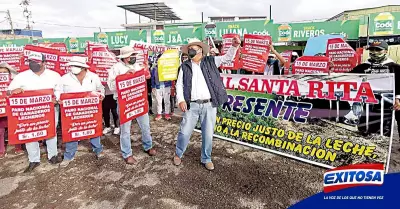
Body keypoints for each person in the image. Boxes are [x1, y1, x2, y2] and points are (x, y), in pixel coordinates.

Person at [173, 37, 240, 170]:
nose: (191, 51)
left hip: (209, 105)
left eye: (194, 49)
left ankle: (206, 158)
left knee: (208, 133)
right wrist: (180, 99)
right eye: (190, 49)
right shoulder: (184, 66)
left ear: (201, 51)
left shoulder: (211, 61)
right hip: (192, 105)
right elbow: (179, 84)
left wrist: (234, 46)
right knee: (185, 132)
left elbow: (226, 58)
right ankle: (178, 154)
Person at [8, 52, 62, 172]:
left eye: (36, 62)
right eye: (31, 61)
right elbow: (8, 91)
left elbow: (59, 91)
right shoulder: (21, 76)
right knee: (30, 134)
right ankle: (34, 159)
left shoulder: (54, 75)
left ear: (44, 63)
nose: (33, 64)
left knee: (51, 132)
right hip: (29, 112)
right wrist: (13, 91)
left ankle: (52, 155)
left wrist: (56, 99)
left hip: (50, 110)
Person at [108, 46, 156, 164]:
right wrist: (125, 76)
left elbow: (146, 77)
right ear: (124, 58)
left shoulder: (138, 66)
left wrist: (146, 73)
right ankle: (127, 153)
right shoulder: (115, 68)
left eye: (134, 55)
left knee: (145, 126)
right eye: (131, 55)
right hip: (125, 103)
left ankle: (148, 146)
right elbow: (111, 86)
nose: (134, 57)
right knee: (125, 130)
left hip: (139, 100)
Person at [59, 56, 105, 167]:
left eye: (77, 66)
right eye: (73, 66)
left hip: (90, 111)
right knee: (72, 132)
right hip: (72, 113)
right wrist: (59, 99)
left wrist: (101, 95)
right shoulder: (64, 78)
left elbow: (100, 89)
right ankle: (69, 156)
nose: (74, 68)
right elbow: (58, 91)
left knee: (94, 129)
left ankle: (98, 150)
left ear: (84, 68)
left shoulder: (93, 77)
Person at [348, 41, 400, 135]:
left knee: (383, 129)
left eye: (378, 50)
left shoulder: (395, 67)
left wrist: (397, 98)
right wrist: (330, 70)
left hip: (386, 105)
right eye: (372, 49)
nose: (374, 52)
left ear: (386, 51)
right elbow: (346, 78)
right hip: (366, 104)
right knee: (364, 128)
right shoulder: (362, 67)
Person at [0, 63, 23, 158]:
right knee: (0, 131)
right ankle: (1, 150)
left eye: (5, 73)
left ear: (9, 74)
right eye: (0, 73)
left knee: (15, 128)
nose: (2, 75)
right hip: (1, 113)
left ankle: (18, 147)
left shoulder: (14, 83)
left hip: (11, 110)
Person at [151, 54, 172, 121]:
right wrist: (153, 86)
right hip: (158, 86)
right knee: (158, 101)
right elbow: (152, 78)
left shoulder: (168, 68)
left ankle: (167, 114)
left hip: (166, 86)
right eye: (159, 59)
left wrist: (170, 84)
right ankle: (159, 114)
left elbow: (171, 76)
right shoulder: (154, 69)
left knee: (167, 101)